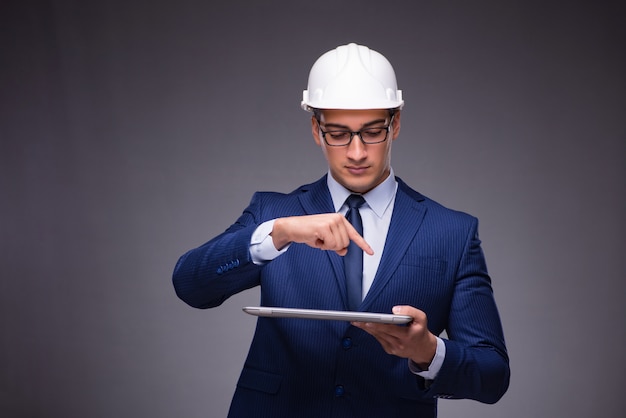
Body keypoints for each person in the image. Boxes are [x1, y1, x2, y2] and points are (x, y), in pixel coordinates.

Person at [173, 43, 510, 417]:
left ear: (395, 124)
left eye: (372, 132)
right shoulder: (274, 213)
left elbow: (492, 373)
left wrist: (428, 351)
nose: (356, 153)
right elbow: (190, 286)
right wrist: (277, 234)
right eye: (338, 133)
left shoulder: (452, 232)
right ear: (316, 130)